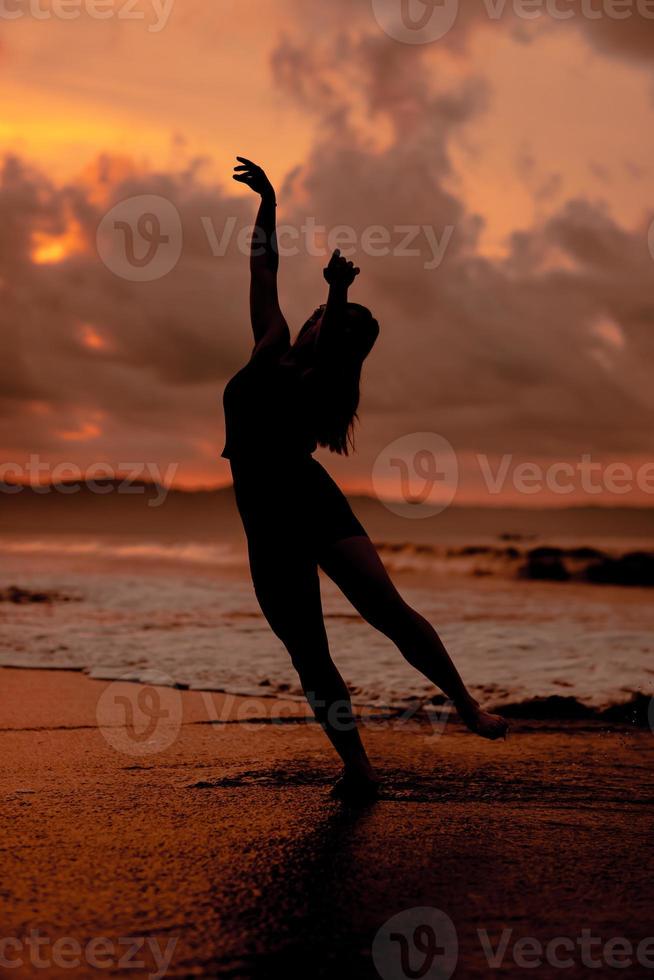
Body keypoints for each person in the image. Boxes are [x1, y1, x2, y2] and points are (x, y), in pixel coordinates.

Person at [222, 157, 508, 804]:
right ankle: (359, 768)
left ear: (344, 346)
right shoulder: (270, 345)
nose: (322, 320)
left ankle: (465, 704)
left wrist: (342, 296)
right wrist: (267, 203)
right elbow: (261, 269)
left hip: (311, 504)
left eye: (337, 323)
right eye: (324, 313)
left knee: (385, 610)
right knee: (308, 653)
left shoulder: (326, 383)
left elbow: (324, 366)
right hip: (266, 519)